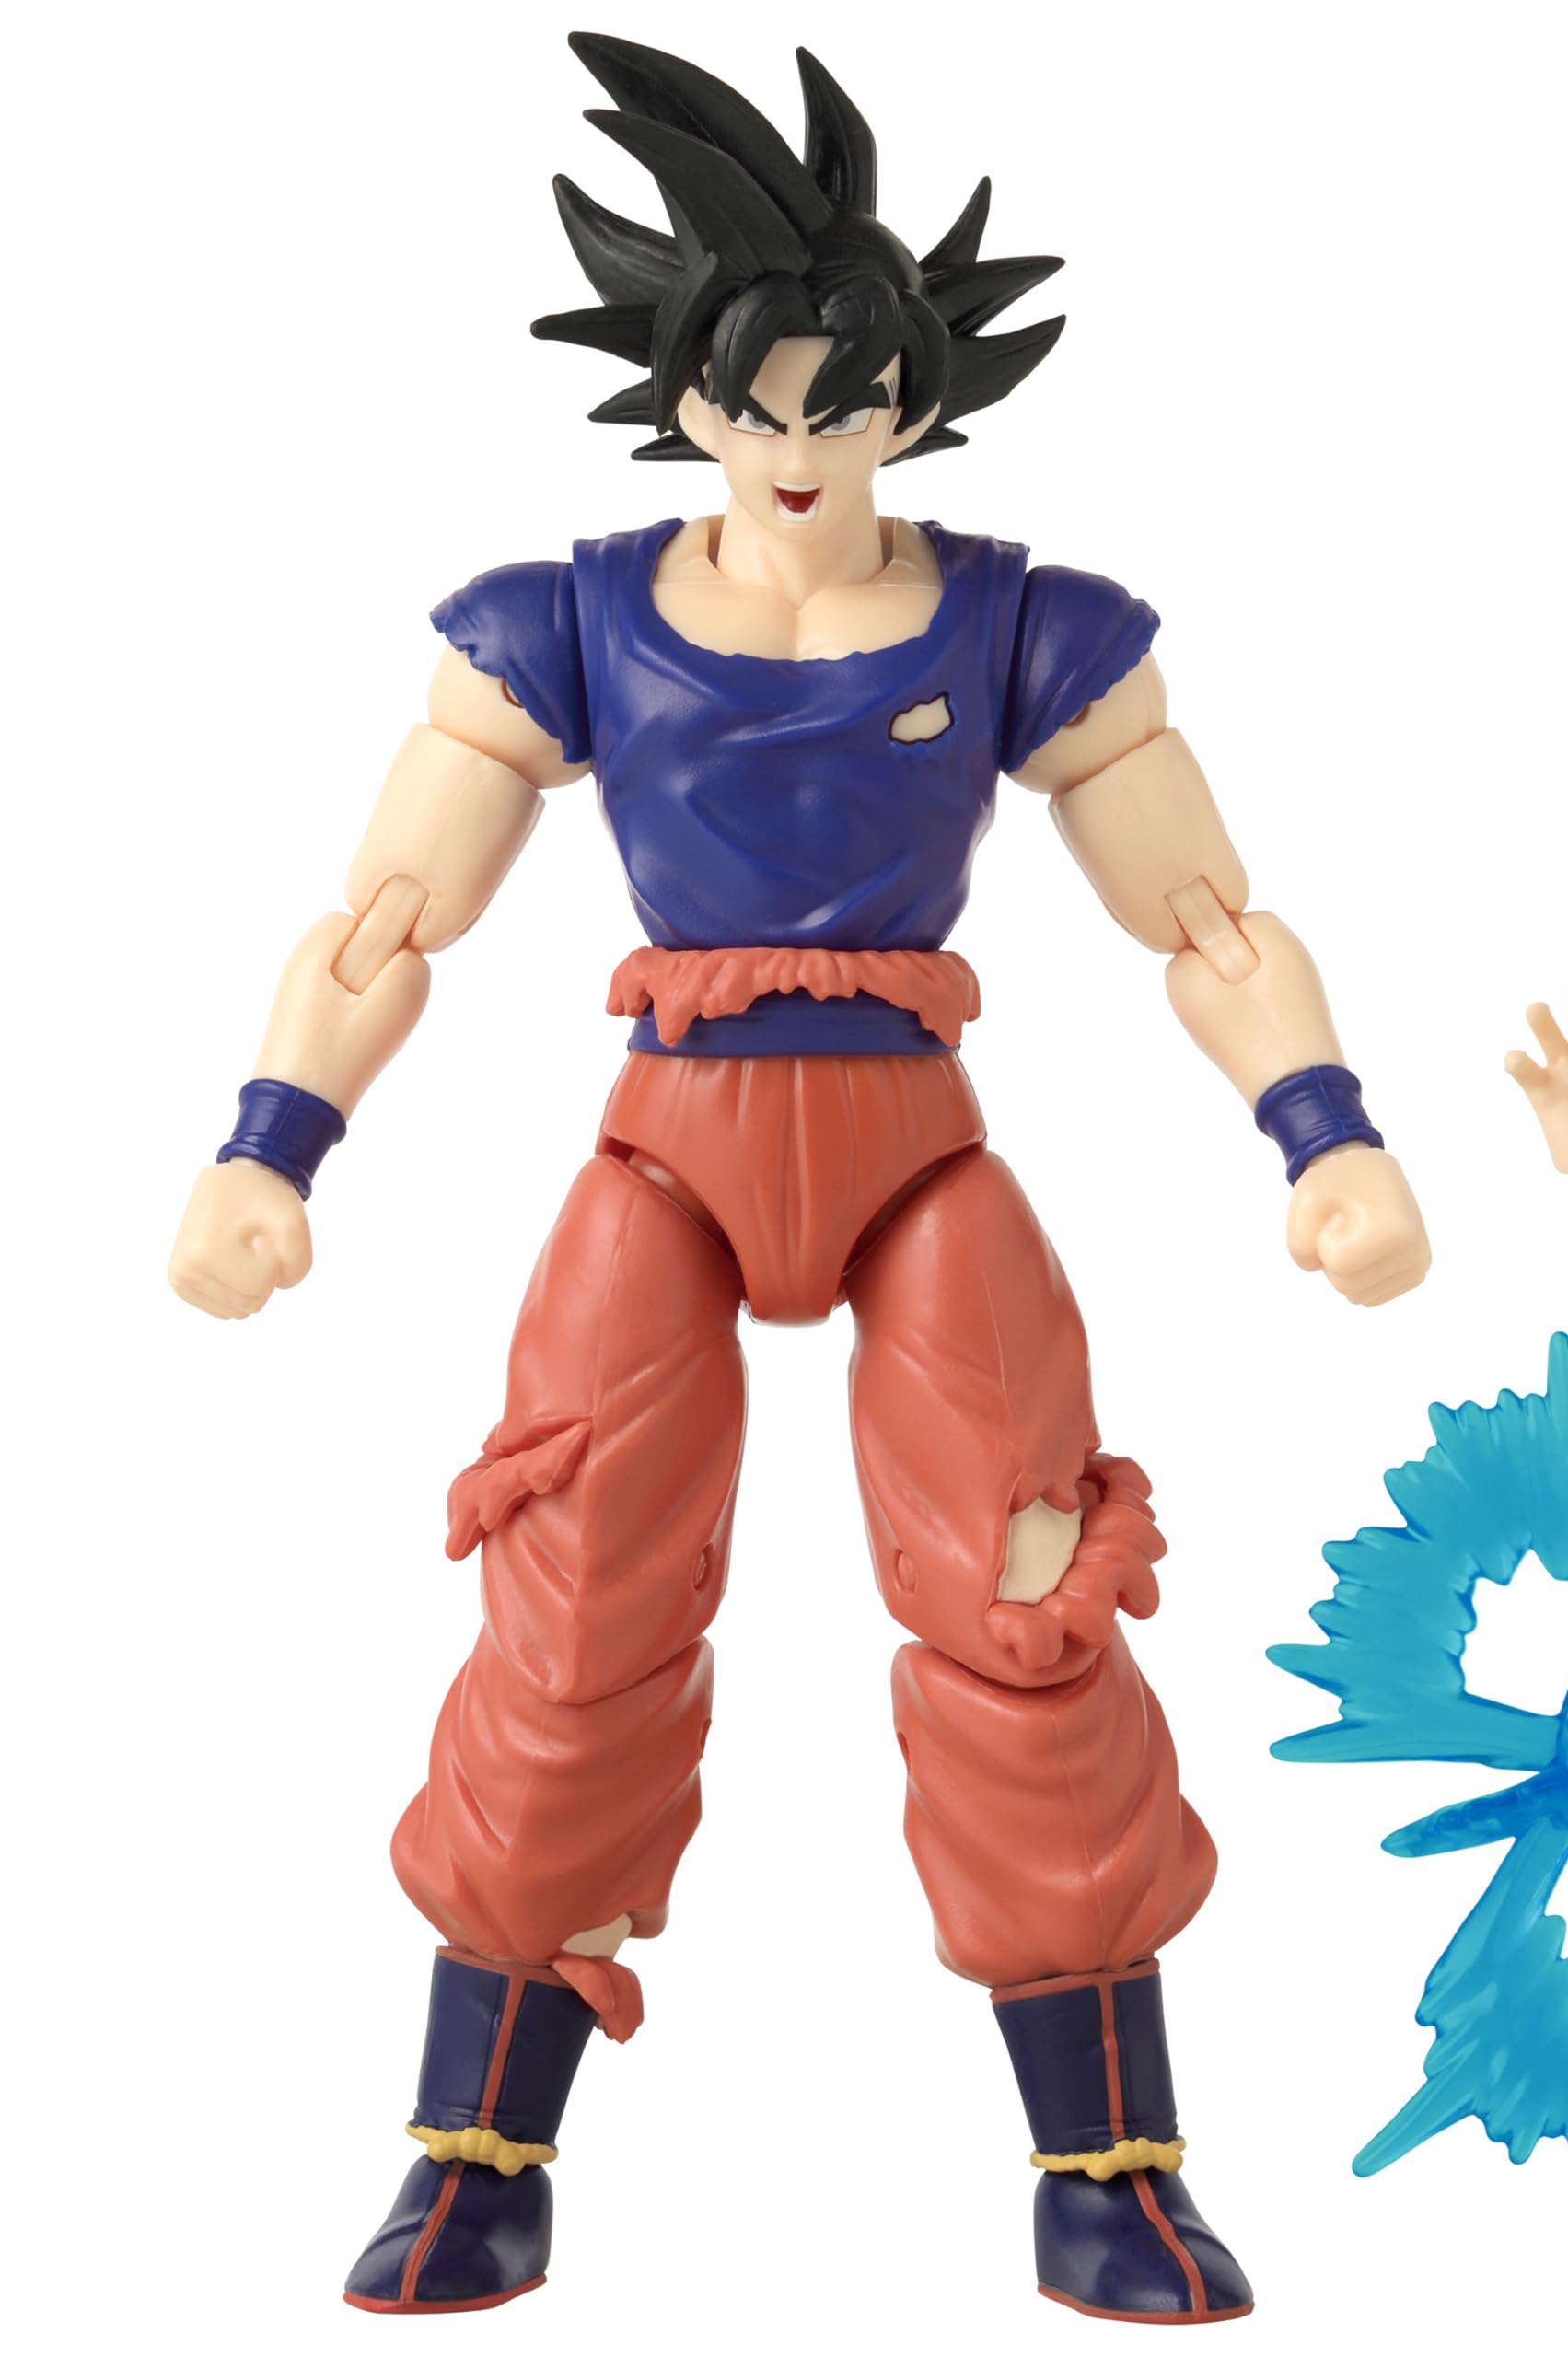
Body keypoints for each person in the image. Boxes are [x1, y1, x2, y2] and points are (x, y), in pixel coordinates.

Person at [168, 34, 1429, 2326]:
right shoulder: (568, 616)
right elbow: (381, 919)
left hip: (914, 1155)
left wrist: (1321, 1129)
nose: (795, 442)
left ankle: (1110, 2162)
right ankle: (475, 2145)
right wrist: (274, 1143)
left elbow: (1206, 915)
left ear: (914, 400)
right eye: (751, 398)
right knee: (571, 1607)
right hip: (665, 1151)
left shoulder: (1019, 621)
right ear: (680, 396)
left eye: (845, 398)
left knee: (1027, 1599)